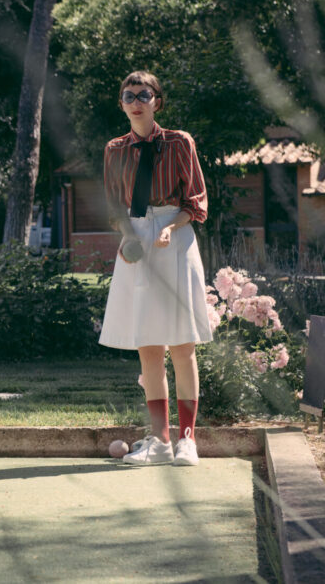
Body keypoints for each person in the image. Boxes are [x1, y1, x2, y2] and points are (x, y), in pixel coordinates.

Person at [98, 71, 213, 466]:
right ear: (122, 103)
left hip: (174, 238)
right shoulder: (114, 149)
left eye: (143, 94)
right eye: (128, 95)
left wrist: (168, 228)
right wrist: (128, 236)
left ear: (156, 101)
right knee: (148, 346)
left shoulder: (180, 142)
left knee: (182, 345)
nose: (135, 101)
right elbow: (115, 206)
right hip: (135, 242)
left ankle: (187, 441)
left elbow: (196, 201)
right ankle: (160, 443)